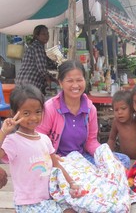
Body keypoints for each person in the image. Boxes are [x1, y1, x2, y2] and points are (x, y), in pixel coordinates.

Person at [0, 84, 81, 212]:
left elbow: (56, 165)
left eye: (38, 112)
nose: (33, 117)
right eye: (26, 113)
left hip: (48, 197)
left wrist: (72, 183)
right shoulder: (13, 141)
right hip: (28, 203)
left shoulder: (45, 139)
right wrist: (3, 132)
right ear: (14, 113)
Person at [36, 60, 101, 164]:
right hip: (57, 160)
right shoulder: (50, 108)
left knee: (121, 159)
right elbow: (39, 138)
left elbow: (91, 141)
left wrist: (103, 155)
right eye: (70, 81)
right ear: (60, 83)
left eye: (79, 80)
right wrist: (52, 157)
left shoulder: (90, 109)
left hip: (82, 159)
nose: (75, 85)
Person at [15, 25, 57, 95]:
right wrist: (49, 80)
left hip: (21, 81)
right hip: (30, 82)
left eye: (47, 34)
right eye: (43, 34)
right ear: (37, 36)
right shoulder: (38, 47)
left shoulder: (34, 46)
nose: (47, 36)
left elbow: (47, 62)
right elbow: (42, 69)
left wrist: (56, 67)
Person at [107, 90, 136, 159]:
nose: (119, 112)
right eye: (116, 110)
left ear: (132, 108)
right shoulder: (116, 122)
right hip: (125, 158)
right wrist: (109, 155)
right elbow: (111, 139)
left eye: (123, 108)